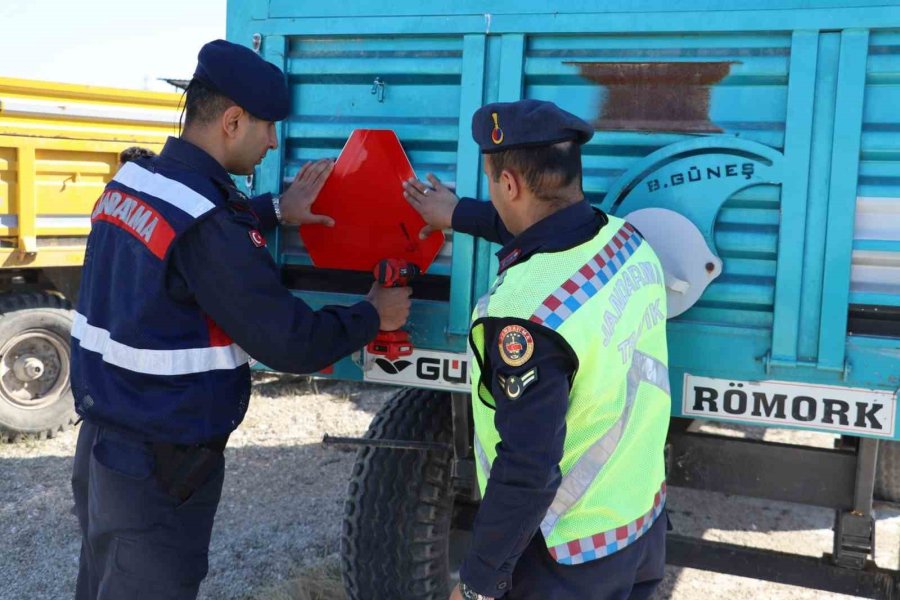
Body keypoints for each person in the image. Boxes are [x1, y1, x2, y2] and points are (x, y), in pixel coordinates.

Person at [70, 39, 411, 600]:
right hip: (160, 468)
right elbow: (289, 342)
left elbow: (182, 237)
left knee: (102, 584)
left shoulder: (133, 184)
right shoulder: (206, 224)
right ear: (232, 121)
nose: (274, 141)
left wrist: (274, 210)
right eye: (268, 127)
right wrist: (372, 314)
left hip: (105, 449)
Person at [404, 99, 671, 600]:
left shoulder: (527, 316)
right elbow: (543, 226)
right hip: (637, 522)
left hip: (566, 553)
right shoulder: (625, 242)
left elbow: (527, 466)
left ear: (509, 185)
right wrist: (459, 213)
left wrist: (479, 583)